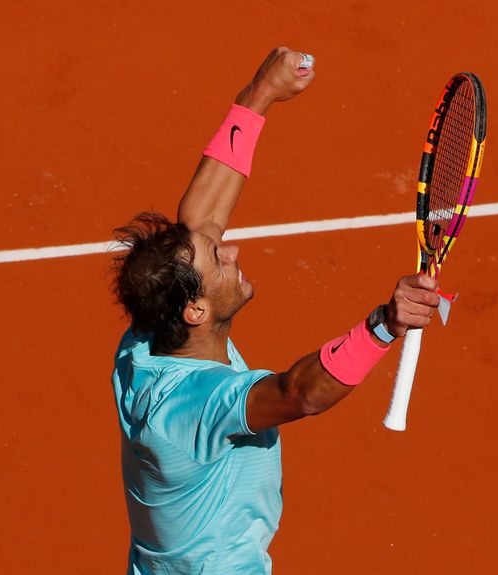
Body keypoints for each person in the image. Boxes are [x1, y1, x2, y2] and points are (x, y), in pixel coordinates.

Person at [110, 47, 440, 575]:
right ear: (194, 310)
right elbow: (297, 394)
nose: (231, 249)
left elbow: (201, 219)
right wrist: (385, 325)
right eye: (218, 260)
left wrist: (259, 95)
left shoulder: (148, 341)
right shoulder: (192, 407)